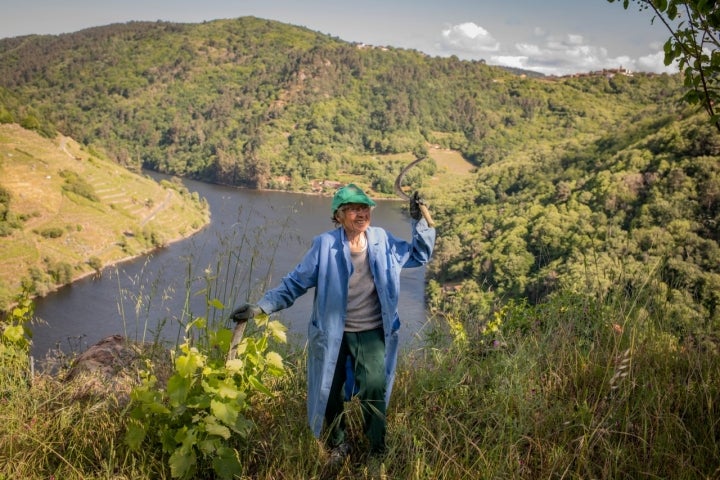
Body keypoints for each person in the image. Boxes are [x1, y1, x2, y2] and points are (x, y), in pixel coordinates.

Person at [231, 183, 435, 461]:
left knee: (374, 388)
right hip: (332, 334)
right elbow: (294, 284)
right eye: (353, 209)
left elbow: (419, 255)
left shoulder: (382, 240)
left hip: (373, 332)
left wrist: (420, 220)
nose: (361, 214)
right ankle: (338, 444)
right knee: (329, 389)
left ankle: (377, 450)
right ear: (338, 215)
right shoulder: (324, 245)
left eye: (365, 208)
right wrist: (260, 308)